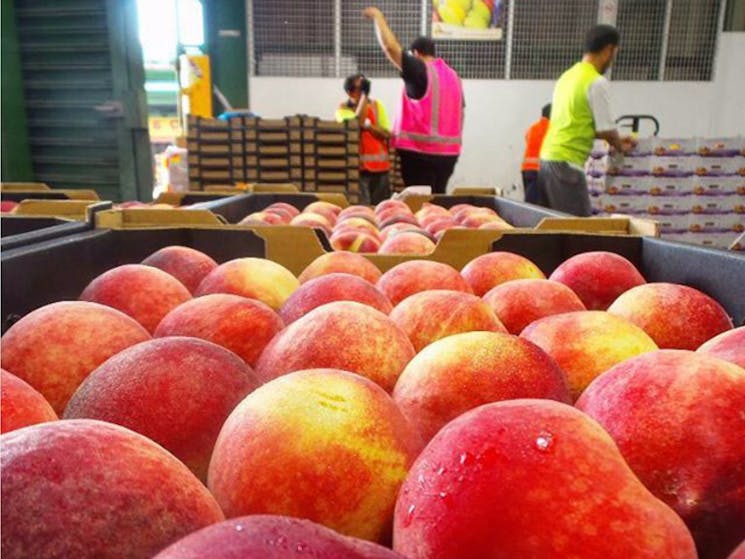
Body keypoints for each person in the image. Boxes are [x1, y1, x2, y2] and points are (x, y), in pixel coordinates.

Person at [363, 7, 464, 194]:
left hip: (420, 153)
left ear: (416, 53)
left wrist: (378, 16)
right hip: (449, 155)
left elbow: (391, 48)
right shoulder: (453, 77)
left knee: (420, 204)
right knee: (437, 200)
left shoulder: (420, 70)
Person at [539, 24, 635, 216]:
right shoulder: (595, 82)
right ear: (609, 50)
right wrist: (619, 145)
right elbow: (607, 128)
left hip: (547, 159)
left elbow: (577, 121)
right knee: (579, 229)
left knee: (556, 226)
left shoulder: (567, 77)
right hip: (567, 163)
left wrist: (617, 138)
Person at [335, 74, 392, 205]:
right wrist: (364, 97)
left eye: (365, 88)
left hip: (381, 168)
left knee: (382, 209)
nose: (364, 91)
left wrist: (367, 126)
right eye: (361, 88)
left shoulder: (377, 106)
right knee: (363, 210)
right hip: (358, 171)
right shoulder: (343, 109)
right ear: (350, 92)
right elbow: (357, 122)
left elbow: (386, 133)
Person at [522, 103, 551, 205]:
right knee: (539, 205)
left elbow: (527, 139)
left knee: (530, 202)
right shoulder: (552, 128)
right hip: (539, 170)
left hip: (526, 169)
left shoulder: (533, 127)